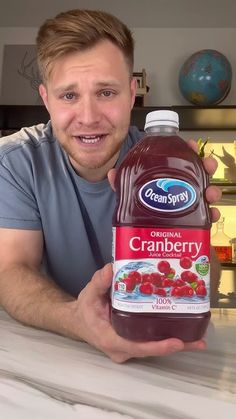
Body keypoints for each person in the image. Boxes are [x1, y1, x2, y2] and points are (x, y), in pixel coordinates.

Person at [0, 9, 221, 363]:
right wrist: (76, 319)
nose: (88, 117)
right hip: (53, 356)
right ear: (46, 99)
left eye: (105, 92)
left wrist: (195, 234)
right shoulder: (15, 162)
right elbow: (11, 270)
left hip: (167, 359)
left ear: (132, 93)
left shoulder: (164, 164)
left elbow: (205, 282)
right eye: (68, 96)